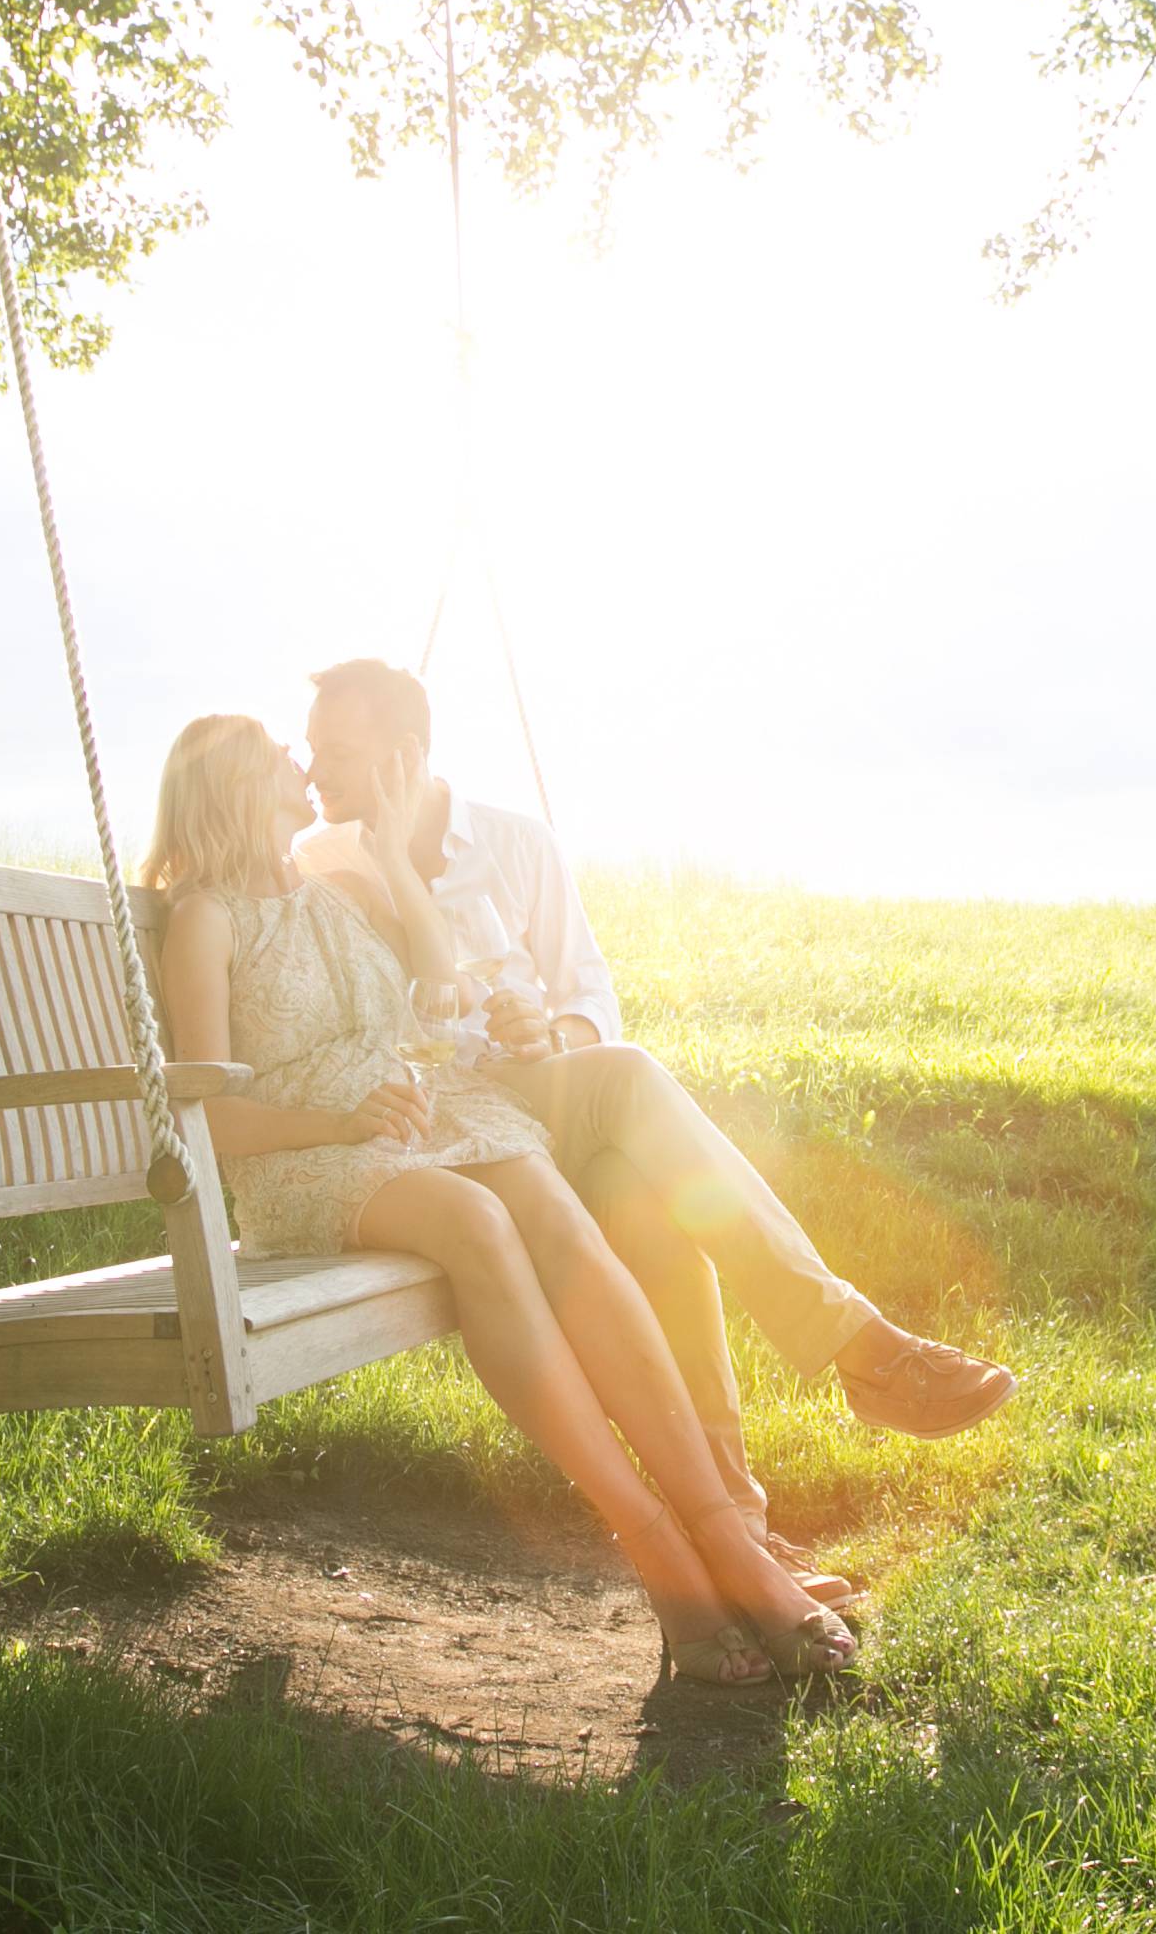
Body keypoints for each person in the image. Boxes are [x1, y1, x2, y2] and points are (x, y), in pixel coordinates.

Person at [143, 714, 858, 1683]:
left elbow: (438, 987)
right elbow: (208, 1114)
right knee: (478, 1222)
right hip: (311, 1154)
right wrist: (339, 1122)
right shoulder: (206, 917)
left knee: (559, 1219)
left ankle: (726, 1540)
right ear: (231, 780)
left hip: (424, 1116)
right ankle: (654, 1547)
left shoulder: (340, 886)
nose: (303, 763)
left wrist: (393, 856)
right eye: (280, 752)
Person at [296, 659, 1015, 1592]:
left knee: (636, 1166)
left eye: (336, 753)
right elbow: (331, 1022)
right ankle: (856, 1359)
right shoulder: (323, 863)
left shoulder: (516, 844)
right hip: (450, 1133)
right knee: (636, 1140)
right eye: (311, 753)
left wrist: (548, 1028)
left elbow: (590, 990)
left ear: (405, 755)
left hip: (541, 1095)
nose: (316, 774)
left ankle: (748, 1526)